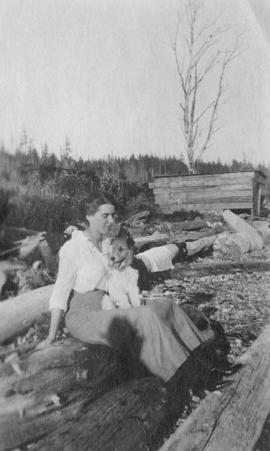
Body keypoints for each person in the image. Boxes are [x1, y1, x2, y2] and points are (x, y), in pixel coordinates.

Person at [38, 194, 214, 382]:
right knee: (146, 315)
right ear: (89, 217)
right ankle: (188, 376)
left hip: (109, 305)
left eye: (113, 216)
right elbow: (59, 294)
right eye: (105, 216)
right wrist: (50, 336)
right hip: (84, 315)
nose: (111, 221)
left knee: (166, 305)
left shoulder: (107, 245)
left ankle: (203, 360)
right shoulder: (72, 248)